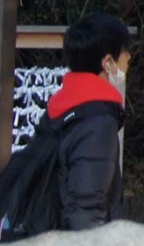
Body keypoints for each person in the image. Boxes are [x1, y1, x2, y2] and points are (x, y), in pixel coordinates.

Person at [51, 12, 132, 230]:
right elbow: (86, 210)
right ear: (107, 61)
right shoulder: (98, 122)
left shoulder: (62, 108)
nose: (128, 59)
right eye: (124, 53)